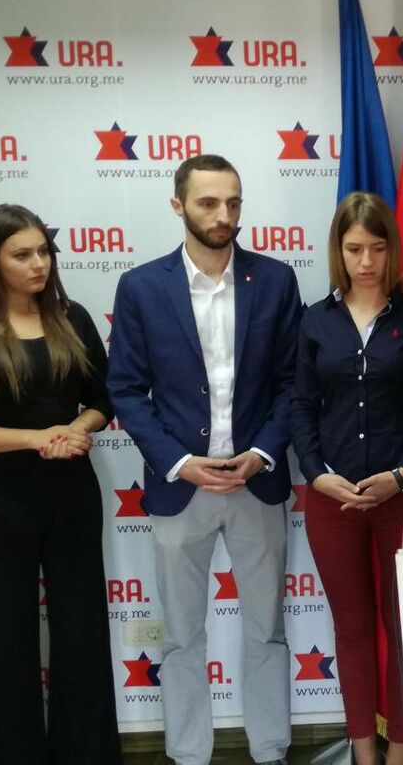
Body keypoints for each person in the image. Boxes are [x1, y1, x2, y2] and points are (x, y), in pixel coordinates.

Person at [107, 154, 303, 765]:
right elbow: (125, 390)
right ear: (179, 205)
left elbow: (292, 384)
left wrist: (263, 453)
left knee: (267, 630)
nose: (224, 215)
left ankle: (270, 750)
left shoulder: (276, 280)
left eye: (233, 202)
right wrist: (178, 461)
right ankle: (188, 754)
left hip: (256, 484)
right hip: (179, 487)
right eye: (209, 202)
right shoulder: (141, 288)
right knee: (181, 636)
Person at [0, 203, 122, 765]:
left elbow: (104, 399)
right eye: (23, 255)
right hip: (3, 502)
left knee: (81, 632)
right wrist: (35, 438)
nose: (39, 264)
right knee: (9, 640)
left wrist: (76, 429)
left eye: (44, 252)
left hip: (72, 497)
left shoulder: (72, 317)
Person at [288, 193, 403, 765]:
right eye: (354, 249)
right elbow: (301, 406)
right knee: (350, 627)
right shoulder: (315, 320)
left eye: (377, 248)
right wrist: (316, 475)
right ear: (338, 251)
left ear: (391, 249)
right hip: (334, 498)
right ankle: (363, 751)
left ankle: (401, 749)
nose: (367, 261)